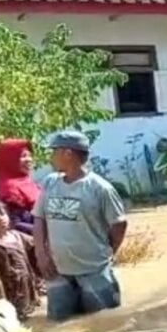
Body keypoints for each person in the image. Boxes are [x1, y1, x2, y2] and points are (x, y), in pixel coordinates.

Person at [32, 130, 128, 322]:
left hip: (94, 270)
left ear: (68, 153)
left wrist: (108, 251)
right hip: (57, 270)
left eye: (54, 151)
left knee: (104, 321)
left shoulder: (100, 188)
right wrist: (41, 254)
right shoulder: (50, 182)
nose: (50, 157)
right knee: (58, 323)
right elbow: (39, 219)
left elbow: (119, 224)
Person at [0, 202, 40, 320]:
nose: (1, 218)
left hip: (28, 288)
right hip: (12, 294)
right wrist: (2, 302)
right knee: (18, 320)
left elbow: (38, 243)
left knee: (34, 317)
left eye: (2, 214)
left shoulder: (16, 236)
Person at [0, 138, 41, 236]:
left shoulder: (26, 182)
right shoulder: (10, 190)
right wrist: (46, 231)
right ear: (9, 160)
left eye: (29, 156)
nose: (29, 160)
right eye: (23, 156)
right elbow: (16, 225)